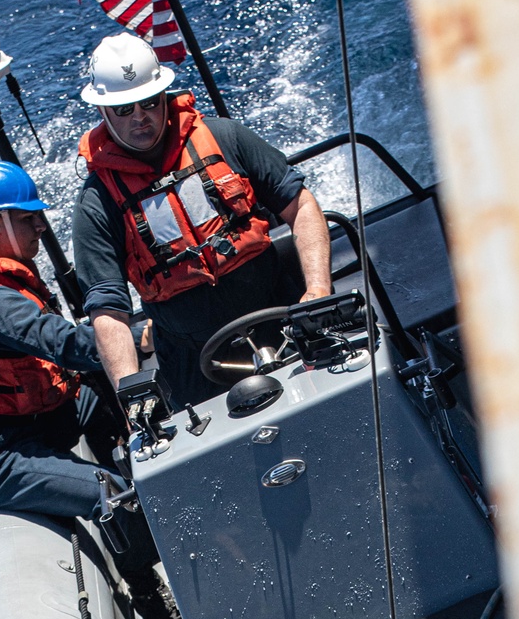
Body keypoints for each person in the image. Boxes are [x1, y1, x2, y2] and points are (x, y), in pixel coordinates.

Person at [0, 159, 185, 619]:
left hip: (36, 420)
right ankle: (155, 602)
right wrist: (142, 336)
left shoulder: (6, 279)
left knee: (100, 398)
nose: (40, 227)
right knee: (109, 490)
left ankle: (146, 464)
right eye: (27, 219)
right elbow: (64, 343)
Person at [72, 32, 333, 410]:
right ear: (103, 112)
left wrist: (318, 293)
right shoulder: (97, 203)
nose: (140, 117)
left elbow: (300, 204)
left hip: (285, 318)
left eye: (148, 102)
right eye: (125, 109)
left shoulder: (225, 137)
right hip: (195, 364)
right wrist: (133, 392)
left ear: (163, 97)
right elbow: (108, 310)